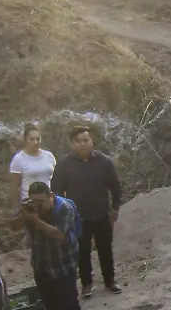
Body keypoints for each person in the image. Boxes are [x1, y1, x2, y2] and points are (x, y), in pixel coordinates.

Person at [51, 126, 123, 298]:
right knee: (82, 251)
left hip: (102, 214)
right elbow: (56, 192)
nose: (82, 144)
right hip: (78, 217)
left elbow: (116, 186)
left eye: (86, 140)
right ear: (72, 144)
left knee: (105, 249)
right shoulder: (64, 165)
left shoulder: (104, 162)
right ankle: (87, 284)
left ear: (92, 142)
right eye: (78, 141)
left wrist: (115, 208)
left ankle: (110, 280)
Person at [21, 182, 85, 310]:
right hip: (41, 262)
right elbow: (13, 227)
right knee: (49, 300)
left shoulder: (63, 208)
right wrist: (23, 215)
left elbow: (59, 234)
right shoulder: (30, 208)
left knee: (68, 299)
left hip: (64, 260)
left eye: (41, 201)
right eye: (34, 201)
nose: (38, 205)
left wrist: (36, 221)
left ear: (50, 196)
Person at [7, 124, 56, 208]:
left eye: (38, 139)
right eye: (32, 139)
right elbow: (15, 186)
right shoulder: (18, 159)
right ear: (26, 140)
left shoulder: (49, 156)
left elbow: (56, 178)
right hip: (29, 203)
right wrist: (17, 207)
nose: (35, 142)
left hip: (49, 202)